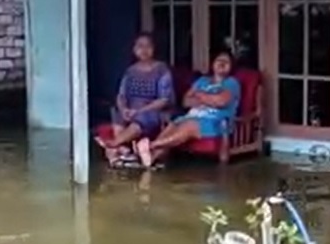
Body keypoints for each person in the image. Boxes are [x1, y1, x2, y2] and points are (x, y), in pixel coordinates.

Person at [135, 51, 240, 168]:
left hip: (216, 121)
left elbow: (221, 102)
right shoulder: (202, 81)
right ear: (213, 64)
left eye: (226, 62)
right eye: (219, 60)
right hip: (192, 115)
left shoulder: (232, 83)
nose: (222, 63)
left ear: (231, 67)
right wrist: (209, 100)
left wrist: (199, 95)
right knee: (172, 125)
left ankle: (150, 145)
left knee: (189, 125)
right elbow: (186, 101)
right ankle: (149, 160)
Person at [95, 33, 175, 166]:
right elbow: (121, 95)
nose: (144, 50)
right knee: (116, 110)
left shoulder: (162, 69)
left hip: (154, 109)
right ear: (134, 49)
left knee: (144, 116)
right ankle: (123, 151)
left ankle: (114, 144)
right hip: (131, 109)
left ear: (154, 48)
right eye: (140, 46)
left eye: (148, 46)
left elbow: (164, 99)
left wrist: (139, 110)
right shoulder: (130, 71)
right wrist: (124, 109)